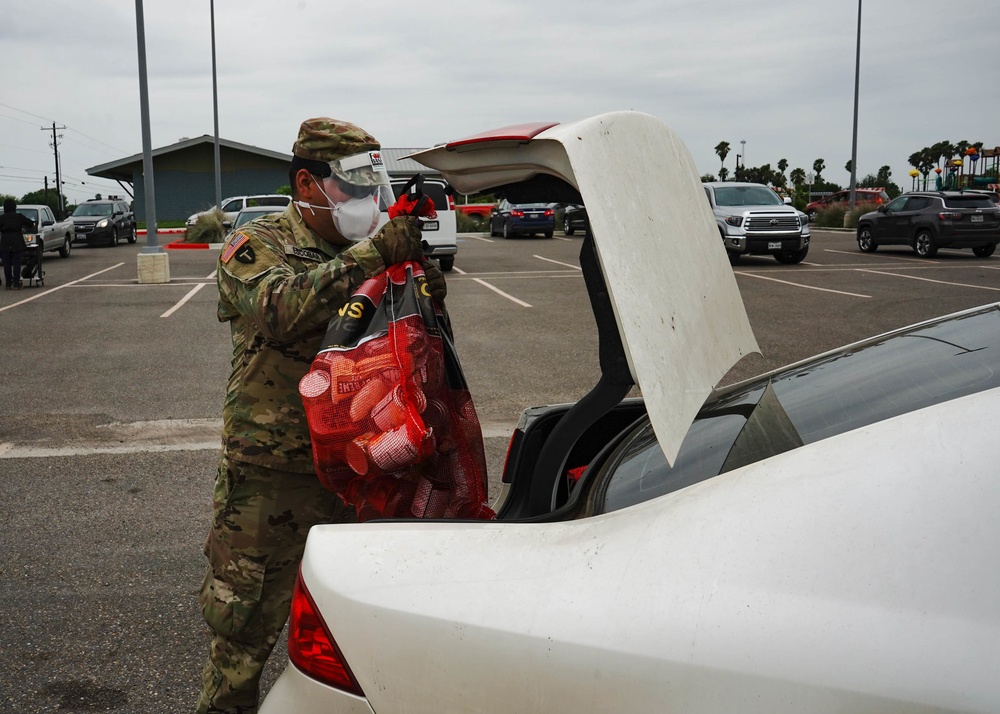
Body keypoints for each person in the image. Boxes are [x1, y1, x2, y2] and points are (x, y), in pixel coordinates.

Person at [196, 117, 447, 714]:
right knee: (243, 635)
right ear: (308, 184)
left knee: (351, 637)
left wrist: (420, 275)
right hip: (273, 475)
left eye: (371, 189)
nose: (366, 202)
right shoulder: (257, 244)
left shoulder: (368, 248)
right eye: (353, 188)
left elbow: (418, 329)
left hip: (361, 466)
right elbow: (281, 310)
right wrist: (372, 253)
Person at [0, 199, 33, 289]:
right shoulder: (19, 216)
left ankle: (8, 283)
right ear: (14, 207)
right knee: (16, 263)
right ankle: (16, 282)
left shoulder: (1, 218)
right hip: (17, 240)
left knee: (6, 263)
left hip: (5, 241)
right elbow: (30, 223)